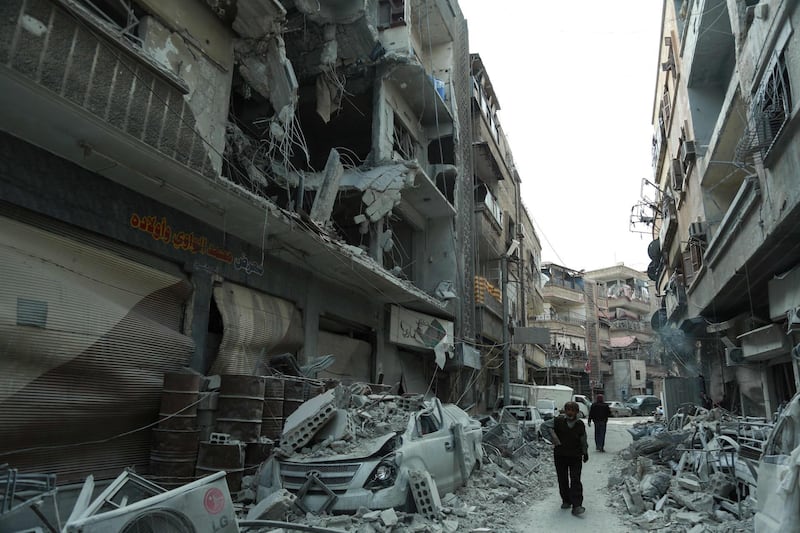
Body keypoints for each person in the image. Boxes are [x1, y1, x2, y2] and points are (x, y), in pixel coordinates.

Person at [544, 401, 588, 516]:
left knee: (575, 480)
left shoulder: (580, 424)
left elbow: (583, 439)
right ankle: (566, 500)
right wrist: (552, 439)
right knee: (562, 479)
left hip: (575, 456)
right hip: (560, 455)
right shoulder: (557, 421)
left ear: (577, 412)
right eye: (568, 410)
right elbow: (543, 426)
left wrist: (585, 452)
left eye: (573, 410)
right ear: (565, 410)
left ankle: (577, 505)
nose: (570, 412)